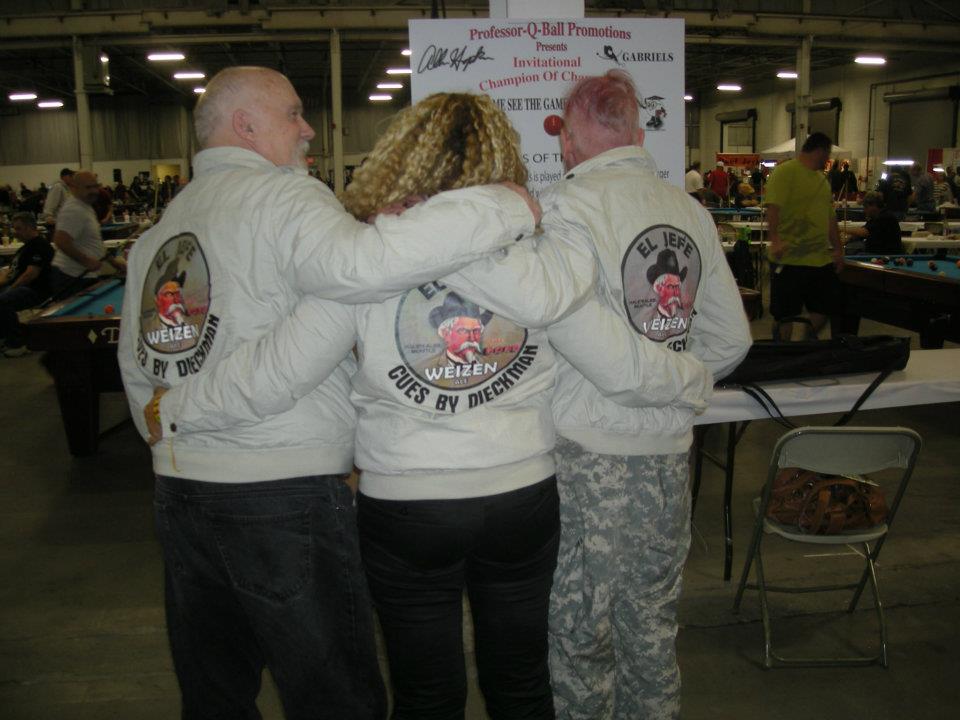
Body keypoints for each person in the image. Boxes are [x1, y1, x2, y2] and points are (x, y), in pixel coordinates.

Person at [139, 90, 711, 720]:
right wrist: (696, 381)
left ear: (402, 155)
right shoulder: (547, 253)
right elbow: (618, 362)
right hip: (519, 491)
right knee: (521, 684)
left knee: (426, 694)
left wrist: (178, 405)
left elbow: (284, 369)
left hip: (405, 496)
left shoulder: (365, 258)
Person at [117, 67, 542, 720]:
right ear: (245, 125)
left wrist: (168, 420)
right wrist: (507, 205)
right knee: (333, 697)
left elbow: (138, 360)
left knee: (214, 693)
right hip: (277, 491)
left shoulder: (165, 227)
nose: (309, 128)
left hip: (180, 491)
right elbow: (362, 272)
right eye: (292, 113)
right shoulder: (285, 199)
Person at [545, 70, 752, 720]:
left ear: (569, 141)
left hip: (587, 457)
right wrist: (680, 386)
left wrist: (664, 385)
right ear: (637, 135)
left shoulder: (564, 210)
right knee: (653, 630)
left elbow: (576, 341)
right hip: (667, 455)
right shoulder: (688, 210)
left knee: (581, 635)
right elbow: (731, 338)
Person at [765, 132, 844, 341]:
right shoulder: (785, 172)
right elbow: (773, 208)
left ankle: (806, 343)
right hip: (789, 258)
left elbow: (830, 218)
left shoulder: (822, 181)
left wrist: (838, 249)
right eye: (827, 154)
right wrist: (775, 240)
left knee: (825, 309)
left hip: (819, 259)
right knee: (784, 316)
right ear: (820, 151)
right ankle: (782, 352)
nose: (828, 159)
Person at [48, 171, 125, 298]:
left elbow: (94, 244)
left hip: (81, 275)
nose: (94, 191)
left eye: (95, 186)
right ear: (74, 188)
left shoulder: (85, 206)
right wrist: (86, 261)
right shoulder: (74, 209)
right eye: (88, 187)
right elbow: (61, 241)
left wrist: (114, 263)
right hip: (71, 276)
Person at [0, 212, 54, 357]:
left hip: (35, 290)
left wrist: (10, 289)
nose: (15, 232)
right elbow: (11, 272)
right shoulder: (24, 248)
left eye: (18, 228)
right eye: (14, 228)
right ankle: (5, 336)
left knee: (2, 301)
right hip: (21, 287)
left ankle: (18, 343)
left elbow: (30, 274)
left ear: (30, 227)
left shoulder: (40, 246)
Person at [842, 191, 903, 255]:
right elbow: (862, 233)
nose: (864, 210)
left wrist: (841, 228)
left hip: (885, 255)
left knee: (852, 252)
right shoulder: (875, 217)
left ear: (874, 205)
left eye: (866, 207)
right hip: (875, 252)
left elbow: (864, 232)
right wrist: (849, 239)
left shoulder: (886, 217)